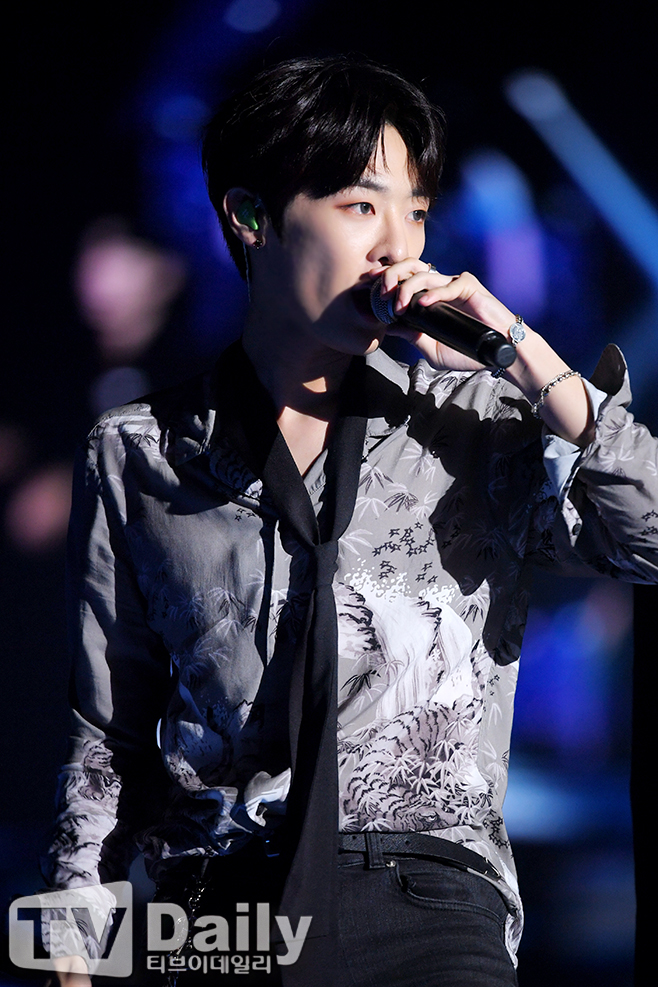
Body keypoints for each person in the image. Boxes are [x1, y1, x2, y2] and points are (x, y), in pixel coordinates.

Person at [41, 56, 658, 987]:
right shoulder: (138, 451)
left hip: (428, 898)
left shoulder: (478, 424)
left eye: (417, 212)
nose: (397, 247)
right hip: (219, 911)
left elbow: (649, 536)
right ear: (251, 218)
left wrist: (522, 352)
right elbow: (107, 731)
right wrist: (69, 951)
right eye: (361, 206)